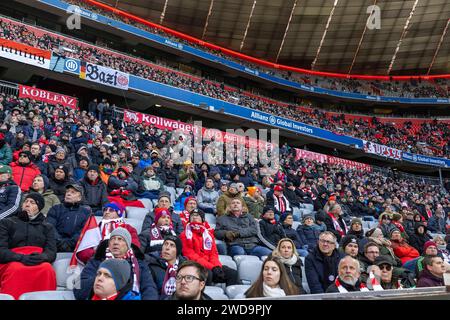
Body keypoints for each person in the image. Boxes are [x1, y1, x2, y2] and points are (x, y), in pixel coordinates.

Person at [74, 227, 158, 300]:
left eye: (120, 239)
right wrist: (104, 282)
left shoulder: (139, 264)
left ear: (128, 245)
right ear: (109, 243)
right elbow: (80, 287)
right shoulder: (97, 260)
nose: (115, 242)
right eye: (112, 239)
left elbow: (149, 288)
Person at [0, 193, 56, 299]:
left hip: (37, 260)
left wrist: (42, 257)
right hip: (11, 260)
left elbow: (51, 251)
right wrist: (20, 257)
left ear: (39, 208)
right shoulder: (7, 222)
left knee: (47, 269)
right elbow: (1, 249)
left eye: (32, 202)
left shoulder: (47, 227)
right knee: (15, 269)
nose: (27, 204)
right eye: (26, 201)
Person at [180, 209, 238, 286]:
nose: (194, 217)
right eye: (192, 215)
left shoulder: (208, 235)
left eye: (197, 215)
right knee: (208, 274)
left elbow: (213, 253)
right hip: (194, 265)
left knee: (232, 273)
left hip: (211, 265)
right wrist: (212, 267)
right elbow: (191, 255)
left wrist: (217, 267)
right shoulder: (185, 235)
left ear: (203, 219)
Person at [46, 184, 91, 252]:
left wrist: (70, 243)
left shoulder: (86, 212)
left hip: (76, 248)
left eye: (73, 192)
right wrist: (60, 242)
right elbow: (50, 227)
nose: (68, 194)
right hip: (55, 246)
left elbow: (83, 230)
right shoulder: (55, 208)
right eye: (68, 192)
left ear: (79, 198)